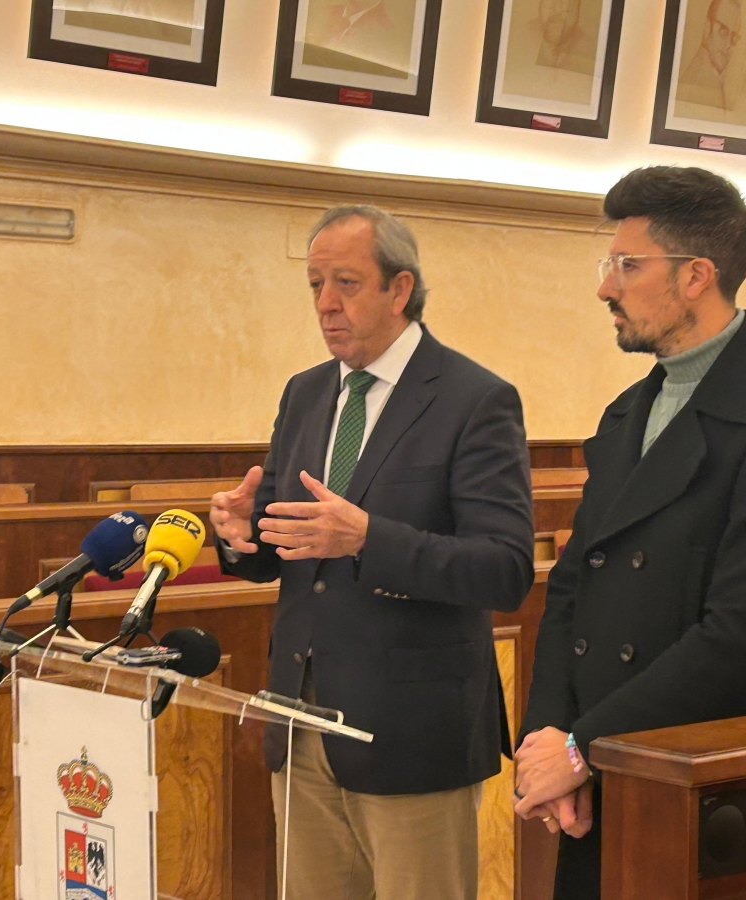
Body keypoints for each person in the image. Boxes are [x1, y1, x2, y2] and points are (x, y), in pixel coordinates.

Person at [514, 167, 746, 900]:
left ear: (697, 276)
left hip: (706, 795)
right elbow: (571, 590)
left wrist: (582, 746)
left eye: (627, 265)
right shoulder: (625, 413)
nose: (605, 288)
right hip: (601, 777)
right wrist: (548, 736)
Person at [210, 205, 534, 900]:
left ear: (399, 288)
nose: (326, 304)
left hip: (411, 733)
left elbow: (504, 568)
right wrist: (240, 536)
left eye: (347, 283)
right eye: (315, 285)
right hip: (300, 720)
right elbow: (288, 541)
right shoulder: (305, 393)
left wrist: (368, 539)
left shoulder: (474, 399)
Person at [678, 0, 743, 110]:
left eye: (734, 37)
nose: (728, 45)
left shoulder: (714, 78)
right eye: (723, 32)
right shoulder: (701, 82)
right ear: (707, 27)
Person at [535, 0, 596, 76]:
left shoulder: (591, 51)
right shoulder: (523, 39)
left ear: (578, 9)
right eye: (550, 2)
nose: (557, 12)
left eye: (566, 4)